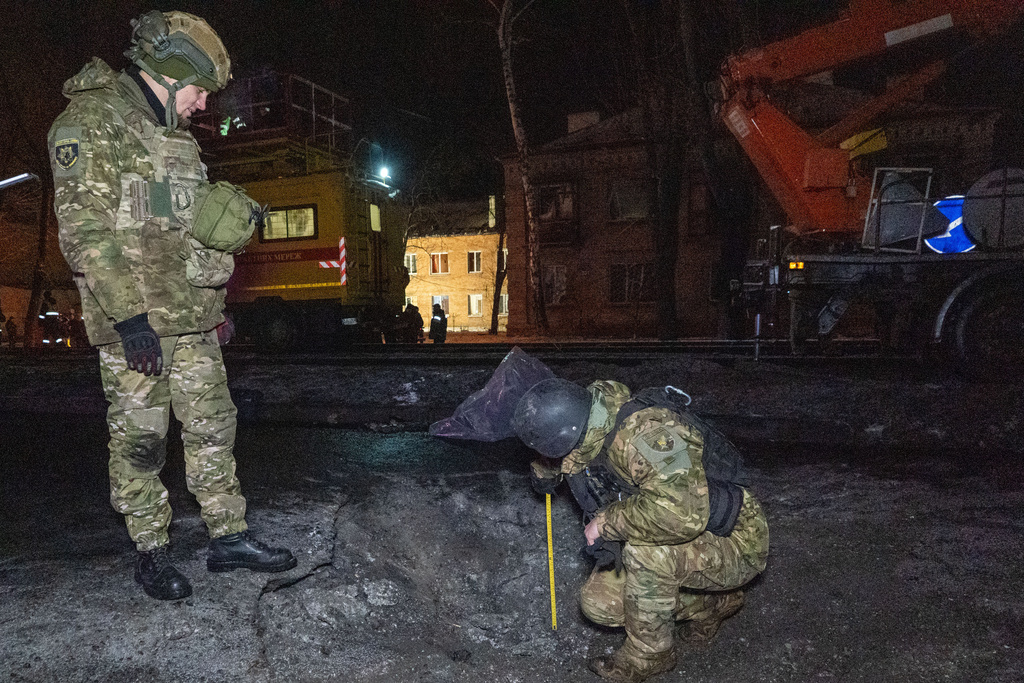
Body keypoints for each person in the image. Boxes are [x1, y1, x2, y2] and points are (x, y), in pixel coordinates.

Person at [48, 10, 295, 601]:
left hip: (192, 322)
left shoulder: (177, 139)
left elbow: (187, 230)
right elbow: (85, 235)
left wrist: (213, 302)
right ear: (169, 72)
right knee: (141, 440)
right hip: (136, 325)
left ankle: (228, 536)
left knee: (214, 425)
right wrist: (130, 321)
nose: (204, 105)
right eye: (201, 90)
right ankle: (151, 551)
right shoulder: (88, 124)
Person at [514, 379, 769, 683]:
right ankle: (712, 603)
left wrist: (606, 523)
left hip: (736, 538)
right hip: (682, 531)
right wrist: (546, 466)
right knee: (600, 604)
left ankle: (650, 657)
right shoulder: (590, 422)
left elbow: (680, 514)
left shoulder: (648, 434)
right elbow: (573, 455)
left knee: (646, 553)